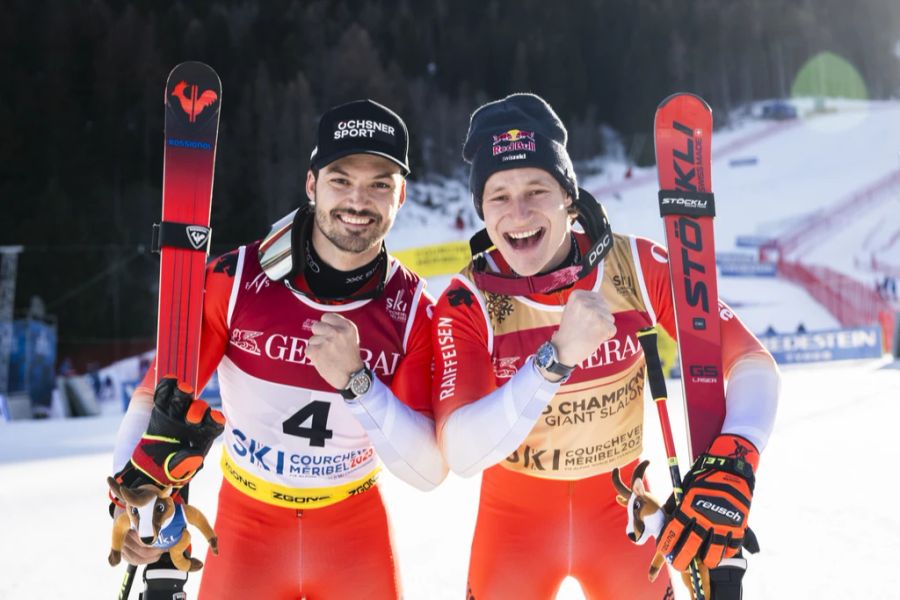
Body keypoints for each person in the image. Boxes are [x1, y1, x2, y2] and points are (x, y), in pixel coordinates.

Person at [431, 93, 780, 599]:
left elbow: (751, 362)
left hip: (625, 521)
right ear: (481, 211)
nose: (519, 213)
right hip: (514, 531)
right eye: (498, 196)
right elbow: (461, 452)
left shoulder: (633, 266)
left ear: (569, 198)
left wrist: (737, 457)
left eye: (537, 189)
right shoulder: (470, 300)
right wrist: (555, 360)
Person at [111, 99, 447, 599]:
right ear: (311, 184)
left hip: (354, 532)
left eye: (379, 184)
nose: (358, 201)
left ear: (402, 195)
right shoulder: (236, 280)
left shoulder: (414, 311)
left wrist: (359, 382)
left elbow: (426, 470)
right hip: (247, 528)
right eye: (340, 179)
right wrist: (126, 497)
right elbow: (156, 394)